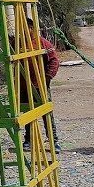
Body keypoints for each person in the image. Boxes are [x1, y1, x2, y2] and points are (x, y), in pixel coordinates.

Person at [18, 19, 61, 153]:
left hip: (40, 85)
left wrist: (47, 78)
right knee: (28, 114)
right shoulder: (18, 44)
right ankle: (29, 140)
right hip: (25, 86)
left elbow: (54, 61)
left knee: (46, 113)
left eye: (25, 29)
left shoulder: (43, 43)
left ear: (31, 28)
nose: (23, 33)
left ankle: (54, 141)